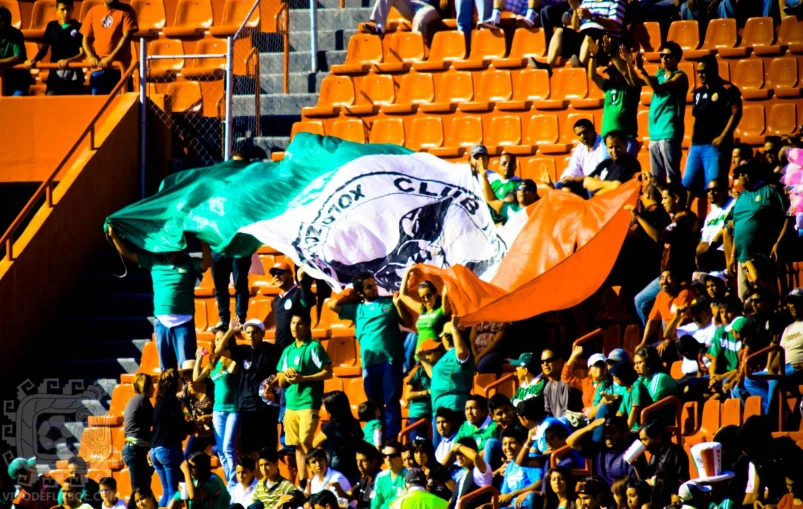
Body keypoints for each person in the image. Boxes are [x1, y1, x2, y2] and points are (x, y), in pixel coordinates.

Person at [107, 226, 211, 371]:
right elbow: (128, 254)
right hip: (161, 322)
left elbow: (207, 264)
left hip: (184, 321)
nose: (181, 250)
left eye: (183, 247)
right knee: (166, 370)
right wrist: (114, 236)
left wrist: (204, 244)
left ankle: (186, 393)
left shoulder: (189, 263)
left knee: (187, 367)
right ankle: (168, 393)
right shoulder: (154, 261)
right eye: (178, 248)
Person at [330, 271, 406, 439]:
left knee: (392, 400)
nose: (374, 289)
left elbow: (406, 321)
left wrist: (397, 304)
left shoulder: (388, 303)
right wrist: (350, 293)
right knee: (374, 405)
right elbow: (332, 304)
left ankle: (392, 439)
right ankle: (376, 438)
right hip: (369, 364)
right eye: (368, 287)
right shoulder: (356, 309)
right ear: (360, 292)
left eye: (374, 285)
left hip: (390, 359)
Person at [277, 313, 333, 488]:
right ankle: (303, 483)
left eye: (299, 323)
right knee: (297, 446)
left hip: (308, 402)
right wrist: (287, 375)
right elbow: (280, 381)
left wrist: (304, 378)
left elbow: (328, 372)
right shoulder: (287, 350)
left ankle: (317, 480)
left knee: (306, 442)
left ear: (308, 326)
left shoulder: (314, 347)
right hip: (291, 404)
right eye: (293, 323)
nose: (295, 326)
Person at [731, 160, 793, 301]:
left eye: (744, 173)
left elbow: (789, 216)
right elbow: (736, 226)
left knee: (767, 296)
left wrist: (779, 242)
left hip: (763, 256)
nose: (741, 177)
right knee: (745, 299)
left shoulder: (769, 191)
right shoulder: (741, 197)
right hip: (742, 258)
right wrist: (732, 255)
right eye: (738, 174)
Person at [682, 55, 742, 199]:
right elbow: (696, 117)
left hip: (714, 146)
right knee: (687, 183)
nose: (701, 75)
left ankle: (717, 215)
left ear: (713, 70)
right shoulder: (698, 92)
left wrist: (722, 136)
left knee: (714, 184)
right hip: (697, 145)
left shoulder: (728, 90)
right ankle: (685, 215)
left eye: (704, 71)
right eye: (698, 72)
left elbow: (736, 114)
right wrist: (691, 141)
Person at [220, 318, 280, 460]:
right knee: (248, 450)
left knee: (268, 450)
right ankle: (254, 480)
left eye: (255, 332)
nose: (251, 336)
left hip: (267, 408)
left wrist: (273, 384)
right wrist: (230, 331)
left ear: (263, 333)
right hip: (246, 407)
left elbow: (283, 369)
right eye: (248, 333)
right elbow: (219, 350)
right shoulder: (243, 351)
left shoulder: (273, 350)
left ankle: (268, 480)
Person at [633, 42, 689, 185]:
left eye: (668, 56)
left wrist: (642, 70)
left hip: (669, 131)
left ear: (677, 58)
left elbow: (658, 88)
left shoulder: (680, 76)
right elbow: (635, 81)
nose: (664, 59)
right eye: (662, 55)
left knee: (672, 176)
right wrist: (629, 63)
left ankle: (676, 204)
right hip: (655, 132)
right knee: (657, 178)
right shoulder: (659, 74)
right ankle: (661, 206)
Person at [741, 289, 803, 417]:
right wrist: (771, 370)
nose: (793, 306)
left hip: (798, 368)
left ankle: (771, 419)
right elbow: (780, 352)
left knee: (775, 381)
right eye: (790, 303)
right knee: (749, 380)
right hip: (784, 368)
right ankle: (777, 412)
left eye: (797, 302)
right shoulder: (788, 329)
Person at [193, 326, 239, 485]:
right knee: (221, 451)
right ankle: (230, 482)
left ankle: (234, 484)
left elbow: (234, 369)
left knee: (228, 448)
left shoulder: (232, 361)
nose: (219, 342)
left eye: (222, 339)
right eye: (217, 339)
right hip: (218, 411)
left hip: (233, 410)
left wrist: (229, 334)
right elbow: (197, 378)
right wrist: (199, 358)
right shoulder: (213, 363)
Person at [587, 37, 641, 156]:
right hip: (607, 141)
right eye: (610, 73)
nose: (612, 76)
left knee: (625, 172)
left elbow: (626, 73)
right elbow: (593, 75)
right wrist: (592, 56)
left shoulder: (630, 86)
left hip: (626, 140)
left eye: (614, 73)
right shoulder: (608, 85)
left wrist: (612, 53)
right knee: (607, 173)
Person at [535, 0, 627, 71]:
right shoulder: (587, 1)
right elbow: (575, 26)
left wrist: (592, 17)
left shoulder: (616, 1)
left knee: (590, 34)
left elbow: (614, 24)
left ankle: (582, 63)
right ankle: (549, 66)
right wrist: (575, 8)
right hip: (584, 36)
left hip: (606, 41)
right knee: (560, 31)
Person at [421, 316, 475, 432]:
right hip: (440, 409)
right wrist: (423, 359)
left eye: (443, 337)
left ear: (447, 337)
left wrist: (454, 329)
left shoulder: (458, 353)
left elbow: (461, 352)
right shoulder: (447, 356)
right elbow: (434, 376)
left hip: (452, 408)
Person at [23, 0, 85, 95]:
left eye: (68, 9)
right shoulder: (52, 26)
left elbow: (82, 53)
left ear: (73, 9)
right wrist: (34, 60)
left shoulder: (79, 27)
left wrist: (68, 61)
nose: (65, 12)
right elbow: (44, 50)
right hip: (55, 75)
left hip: (74, 76)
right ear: (56, 10)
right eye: (62, 9)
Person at [80, 0, 137, 94]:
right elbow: (85, 39)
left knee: (121, 106)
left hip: (120, 69)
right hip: (98, 69)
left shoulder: (127, 10)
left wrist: (111, 58)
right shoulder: (93, 11)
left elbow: (126, 37)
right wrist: (90, 56)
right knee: (98, 105)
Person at [151, 369, 189, 508]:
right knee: (175, 491)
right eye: (180, 379)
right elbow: (179, 426)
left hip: (155, 450)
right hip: (168, 449)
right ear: (174, 383)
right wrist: (192, 426)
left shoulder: (159, 402)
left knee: (166, 491)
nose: (182, 382)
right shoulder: (172, 401)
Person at [566, 417, 639, 487]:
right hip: (601, 495)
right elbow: (570, 442)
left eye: (613, 433)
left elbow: (633, 485)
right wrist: (588, 428)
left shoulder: (632, 452)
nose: (608, 436)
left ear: (624, 434)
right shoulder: (599, 448)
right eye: (606, 432)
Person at [313, 391, 365, 483]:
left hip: (335, 470)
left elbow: (314, 444)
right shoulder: (355, 423)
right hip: (353, 469)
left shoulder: (331, 426)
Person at [637, 269, 696, 348]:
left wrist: (668, 340)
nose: (664, 281)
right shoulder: (660, 295)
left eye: (669, 278)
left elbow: (683, 322)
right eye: (662, 278)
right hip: (670, 336)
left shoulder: (685, 293)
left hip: (685, 337)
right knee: (643, 352)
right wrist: (643, 343)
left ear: (677, 280)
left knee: (663, 351)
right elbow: (652, 321)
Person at [122, 373, 154, 509]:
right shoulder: (142, 399)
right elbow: (156, 420)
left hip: (135, 450)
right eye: (152, 385)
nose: (154, 388)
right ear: (145, 386)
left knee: (144, 487)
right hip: (134, 450)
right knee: (139, 491)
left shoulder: (135, 400)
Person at [634, 421, 689, 496]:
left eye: (645, 439)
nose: (642, 444)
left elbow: (682, 482)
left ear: (658, 437)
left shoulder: (675, 452)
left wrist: (654, 482)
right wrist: (636, 466)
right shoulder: (654, 455)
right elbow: (645, 482)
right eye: (641, 440)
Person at [271, 262, 315, 351]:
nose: (276, 276)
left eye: (280, 272)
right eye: (274, 274)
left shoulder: (298, 292)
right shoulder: (276, 300)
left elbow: (309, 302)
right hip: (280, 348)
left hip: (299, 347)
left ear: (290, 274)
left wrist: (301, 280)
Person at [584, 131, 642, 197]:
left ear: (625, 145)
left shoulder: (631, 163)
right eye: (610, 147)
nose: (614, 151)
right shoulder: (606, 162)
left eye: (617, 147)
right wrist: (610, 184)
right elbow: (586, 182)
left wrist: (596, 192)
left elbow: (616, 187)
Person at [209, 248, 252, 332]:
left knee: (240, 285)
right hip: (218, 247)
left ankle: (240, 320)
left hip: (239, 245)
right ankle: (224, 321)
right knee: (220, 287)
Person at [499, 428, 543, 509]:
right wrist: (489, 504)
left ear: (522, 443)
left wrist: (514, 494)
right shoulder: (509, 467)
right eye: (504, 444)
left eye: (512, 443)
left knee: (531, 497)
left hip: (528, 504)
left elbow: (540, 483)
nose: (507, 447)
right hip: (514, 506)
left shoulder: (530, 460)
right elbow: (505, 494)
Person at [697, 180, 735, 272]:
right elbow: (704, 242)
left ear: (725, 190)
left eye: (715, 190)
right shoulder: (711, 215)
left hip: (727, 252)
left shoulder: (734, 204)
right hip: (711, 254)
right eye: (709, 190)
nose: (711, 193)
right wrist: (695, 255)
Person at [557, 119, 610, 184]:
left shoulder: (604, 145)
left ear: (593, 130)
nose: (583, 136)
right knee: (560, 185)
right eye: (579, 134)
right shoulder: (580, 148)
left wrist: (576, 179)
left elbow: (601, 174)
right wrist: (566, 178)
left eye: (585, 132)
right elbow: (573, 168)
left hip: (597, 184)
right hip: (583, 183)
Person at [633, 346, 677, 423]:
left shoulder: (660, 377)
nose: (636, 367)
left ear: (649, 362)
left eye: (640, 362)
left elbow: (651, 405)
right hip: (646, 417)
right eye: (635, 363)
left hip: (659, 421)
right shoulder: (643, 378)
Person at [359, 0, 439, 42]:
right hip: (411, 4)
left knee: (420, 19)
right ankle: (380, 28)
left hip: (428, 7)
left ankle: (416, 48)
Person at [446, 438, 493, 509]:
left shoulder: (480, 471)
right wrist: (454, 449)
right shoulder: (461, 479)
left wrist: (458, 446)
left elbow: (476, 457)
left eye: (462, 453)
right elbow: (439, 470)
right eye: (457, 453)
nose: (459, 457)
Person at [331, 444, 382, 509]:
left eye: (363, 461)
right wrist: (338, 488)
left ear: (374, 462)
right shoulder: (364, 479)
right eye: (357, 460)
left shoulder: (381, 481)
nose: (359, 465)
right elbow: (346, 499)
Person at [176, 374, 214, 457]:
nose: (187, 377)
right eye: (185, 375)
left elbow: (224, 409)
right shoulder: (185, 391)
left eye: (190, 373)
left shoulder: (211, 387)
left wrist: (210, 416)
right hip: (199, 431)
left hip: (216, 429)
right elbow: (175, 407)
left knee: (219, 451)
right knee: (187, 457)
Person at [540, 350, 583, 419]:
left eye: (549, 360)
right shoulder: (547, 386)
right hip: (556, 425)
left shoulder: (567, 384)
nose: (545, 364)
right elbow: (548, 412)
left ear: (560, 361)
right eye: (542, 362)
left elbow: (568, 414)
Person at [607, 361, 649, 431]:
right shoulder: (626, 389)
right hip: (632, 428)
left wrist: (626, 432)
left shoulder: (637, 385)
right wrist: (613, 427)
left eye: (616, 376)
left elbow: (635, 410)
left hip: (642, 428)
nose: (614, 378)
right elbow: (620, 413)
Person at [0, 6, 31, 96]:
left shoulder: (16, 34)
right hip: (2, 81)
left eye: (3, 21)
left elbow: (18, 58)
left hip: (18, 82)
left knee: (17, 101)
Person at [372, 442, 408, 509]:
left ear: (401, 456)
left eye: (392, 456)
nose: (388, 459)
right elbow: (375, 504)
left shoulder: (409, 477)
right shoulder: (381, 477)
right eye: (385, 456)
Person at [405, 365, 433, 441]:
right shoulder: (419, 371)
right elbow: (407, 395)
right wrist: (426, 392)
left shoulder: (439, 369)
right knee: (417, 446)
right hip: (418, 414)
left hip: (433, 415)